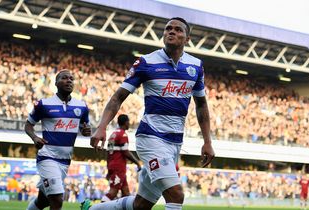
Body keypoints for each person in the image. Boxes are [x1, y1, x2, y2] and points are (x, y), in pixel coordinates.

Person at [82, 17, 215, 210]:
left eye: (178, 30)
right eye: (168, 28)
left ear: (187, 39)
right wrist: (101, 126)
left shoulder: (196, 66)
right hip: (150, 137)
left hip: (175, 143)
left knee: (141, 205)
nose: (171, 31)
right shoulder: (146, 62)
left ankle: (92, 209)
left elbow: (201, 105)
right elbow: (117, 97)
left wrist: (208, 141)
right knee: (176, 195)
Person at [25, 69, 91, 210]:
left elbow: (84, 128)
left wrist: (86, 131)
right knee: (57, 199)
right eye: (64, 78)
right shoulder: (43, 104)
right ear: (56, 83)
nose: (69, 81)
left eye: (71, 79)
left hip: (65, 161)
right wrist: (35, 137)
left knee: (43, 201)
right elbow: (28, 125)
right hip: (47, 157)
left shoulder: (82, 107)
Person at [101, 114, 141, 202]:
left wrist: (109, 168)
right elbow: (125, 152)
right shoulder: (123, 134)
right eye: (128, 122)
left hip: (113, 165)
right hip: (119, 167)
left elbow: (108, 152)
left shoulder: (113, 134)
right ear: (125, 122)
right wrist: (137, 162)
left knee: (126, 193)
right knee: (113, 193)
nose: (129, 124)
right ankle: (97, 208)